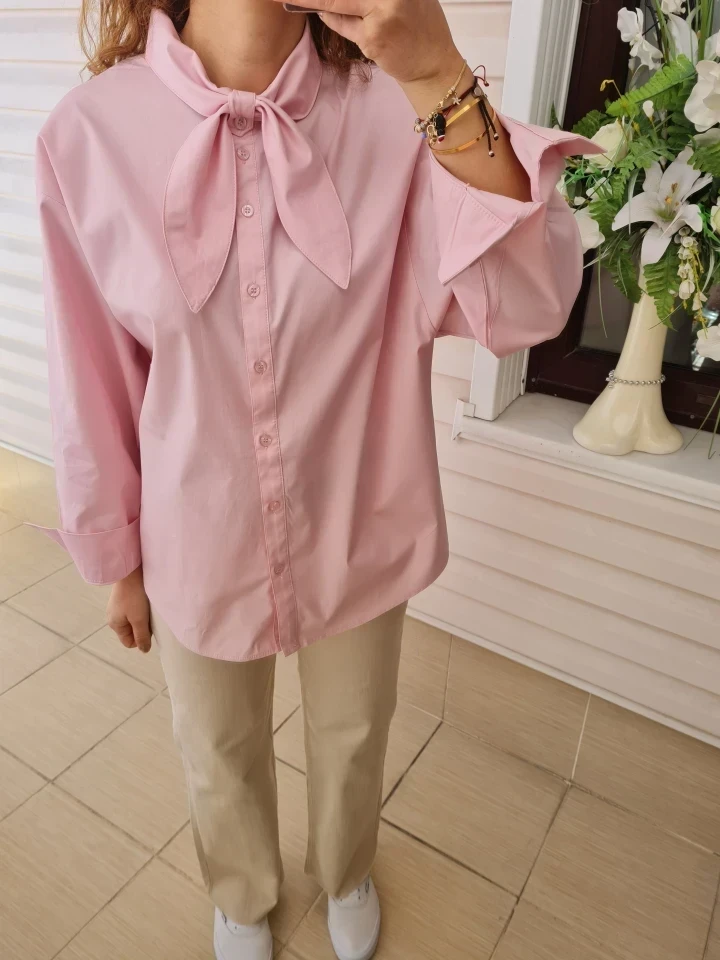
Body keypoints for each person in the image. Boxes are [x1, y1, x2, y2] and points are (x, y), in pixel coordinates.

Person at [29, 0, 598, 957]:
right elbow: (92, 374)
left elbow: (531, 302)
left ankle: (346, 868)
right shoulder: (89, 135)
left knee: (354, 731)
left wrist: (437, 73)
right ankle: (242, 892)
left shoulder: (397, 108)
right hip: (196, 529)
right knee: (215, 743)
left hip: (359, 511)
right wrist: (117, 555)